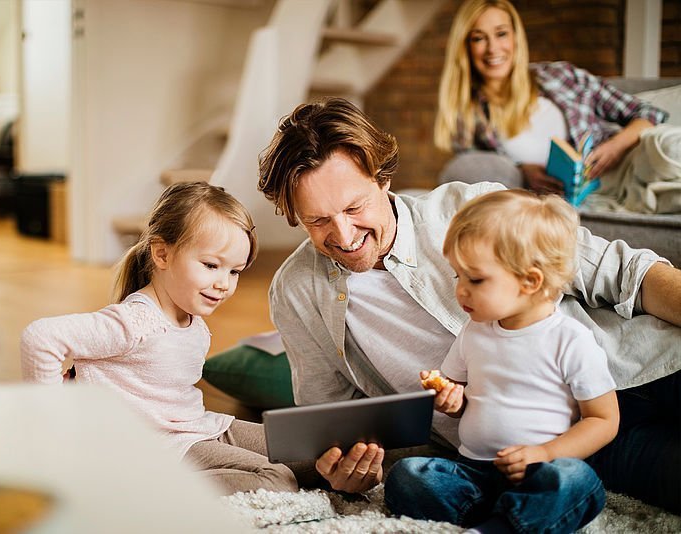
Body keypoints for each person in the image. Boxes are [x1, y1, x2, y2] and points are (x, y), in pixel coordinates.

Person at [257, 96, 681, 512]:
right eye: (317, 220)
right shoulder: (297, 293)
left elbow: (623, 272)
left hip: (633, 371)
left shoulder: (467, 207)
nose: (344, 235)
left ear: (382, 178)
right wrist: (346, 468)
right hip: (536, 454)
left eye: (354, 207)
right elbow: (331, 422)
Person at [21, 181, 297, 495]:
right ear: (162, 254)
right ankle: (145, 491)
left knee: (306, 451)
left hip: (196, 427)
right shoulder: (137, 321)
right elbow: (40, 337)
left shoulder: (191, 318)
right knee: (276, 479)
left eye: (234, 271)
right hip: (155, 449)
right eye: (211, 265)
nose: (224, 284)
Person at [384, 190, 618, 532]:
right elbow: (461, 397)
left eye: (475, 279)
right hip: (474, 474)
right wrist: (451, 400)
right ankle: (504, 520)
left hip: (538, 473)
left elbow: (604, 420)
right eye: (457, 276)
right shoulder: (473, 331)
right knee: (407, 476)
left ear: (530, 281)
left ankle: (499, 527)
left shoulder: (570, 339)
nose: (460, 290)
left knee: (577, 481)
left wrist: (546, 454)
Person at [433, 0, 667, 194]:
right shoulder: (468, 114)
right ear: (465, 46)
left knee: (668, 146)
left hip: (625, 169)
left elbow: (649, 114)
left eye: (501, 34)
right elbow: (475, 173)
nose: (493, 48)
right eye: (478, 38)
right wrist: (522, 169)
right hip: (570, 199)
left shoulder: (561, 76)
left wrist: (616, 147)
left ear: (516, 38)